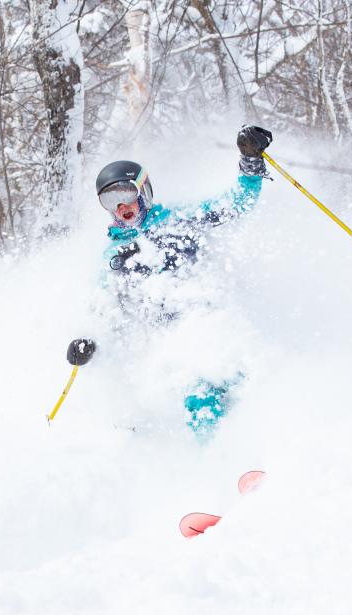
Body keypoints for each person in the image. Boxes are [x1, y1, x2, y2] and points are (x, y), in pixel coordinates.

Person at [75, 125, 274, 435]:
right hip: (175, 341)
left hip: (211, 319)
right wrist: (86, 341)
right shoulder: (114, 256)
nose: (121, 207)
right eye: (110, 201)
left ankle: (274, 442)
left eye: (126, 194)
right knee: (200, 396)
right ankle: (222, 458)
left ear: (144, 192)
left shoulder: (179, 221)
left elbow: (236, 205)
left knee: (248, 376)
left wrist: (250, 161)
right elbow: (103, 307)